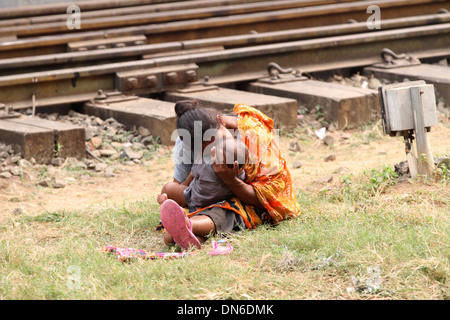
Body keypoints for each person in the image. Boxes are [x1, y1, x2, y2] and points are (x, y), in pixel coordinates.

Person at [158, 99, 301, 250]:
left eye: (215, 141)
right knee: (175, 194)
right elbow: (181, 187)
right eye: (205, 152)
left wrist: (230, 180)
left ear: (221, 120)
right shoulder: (187, 142)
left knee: (225, 212)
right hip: (200, 198)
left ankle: (188, 225)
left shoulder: (255, 136)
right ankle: (185, 230)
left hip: (240, 200)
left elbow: (269, 200)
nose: (214, 151)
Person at [158, 137, 248, 209]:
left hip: (195, 199)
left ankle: (168, 204)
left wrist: (184, 186)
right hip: (219, 201)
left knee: (169, 187)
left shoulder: (205, 166)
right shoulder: (240, 175)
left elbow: (192, 174)